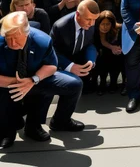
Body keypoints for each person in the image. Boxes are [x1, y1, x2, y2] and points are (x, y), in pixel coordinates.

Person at [0, 11, 85, 149]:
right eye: (8, 38)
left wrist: (33, 80)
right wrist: (18, 84)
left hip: (35, 79)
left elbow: (52, 66)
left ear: (27, 33)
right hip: (6, 83)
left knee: (73, 84)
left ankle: (56, 122)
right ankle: (6, 131)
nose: (12, 42)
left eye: (16, 37)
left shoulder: (42, 41)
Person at [50, 0, 100, 90]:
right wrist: (70, 66)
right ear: (77, 15)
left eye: (94, 19)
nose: (92, 24)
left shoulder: (91, 23)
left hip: (80, 62)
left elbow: (90, 43)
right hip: (62, 65)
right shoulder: (60, 27)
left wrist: (91, 60)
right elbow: (52, 51)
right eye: (88, 19)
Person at [94, 10, 124, 95]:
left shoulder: (119, 28)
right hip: (101, 52)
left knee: (116, 59)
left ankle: (113, 82)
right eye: (103, 24)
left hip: (116, 54)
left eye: (108, 24)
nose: (105, 27)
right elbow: (100, 43)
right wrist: (111, 47)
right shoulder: (94, 30)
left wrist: (118, 49)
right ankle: (102, 83)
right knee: (101, 59)